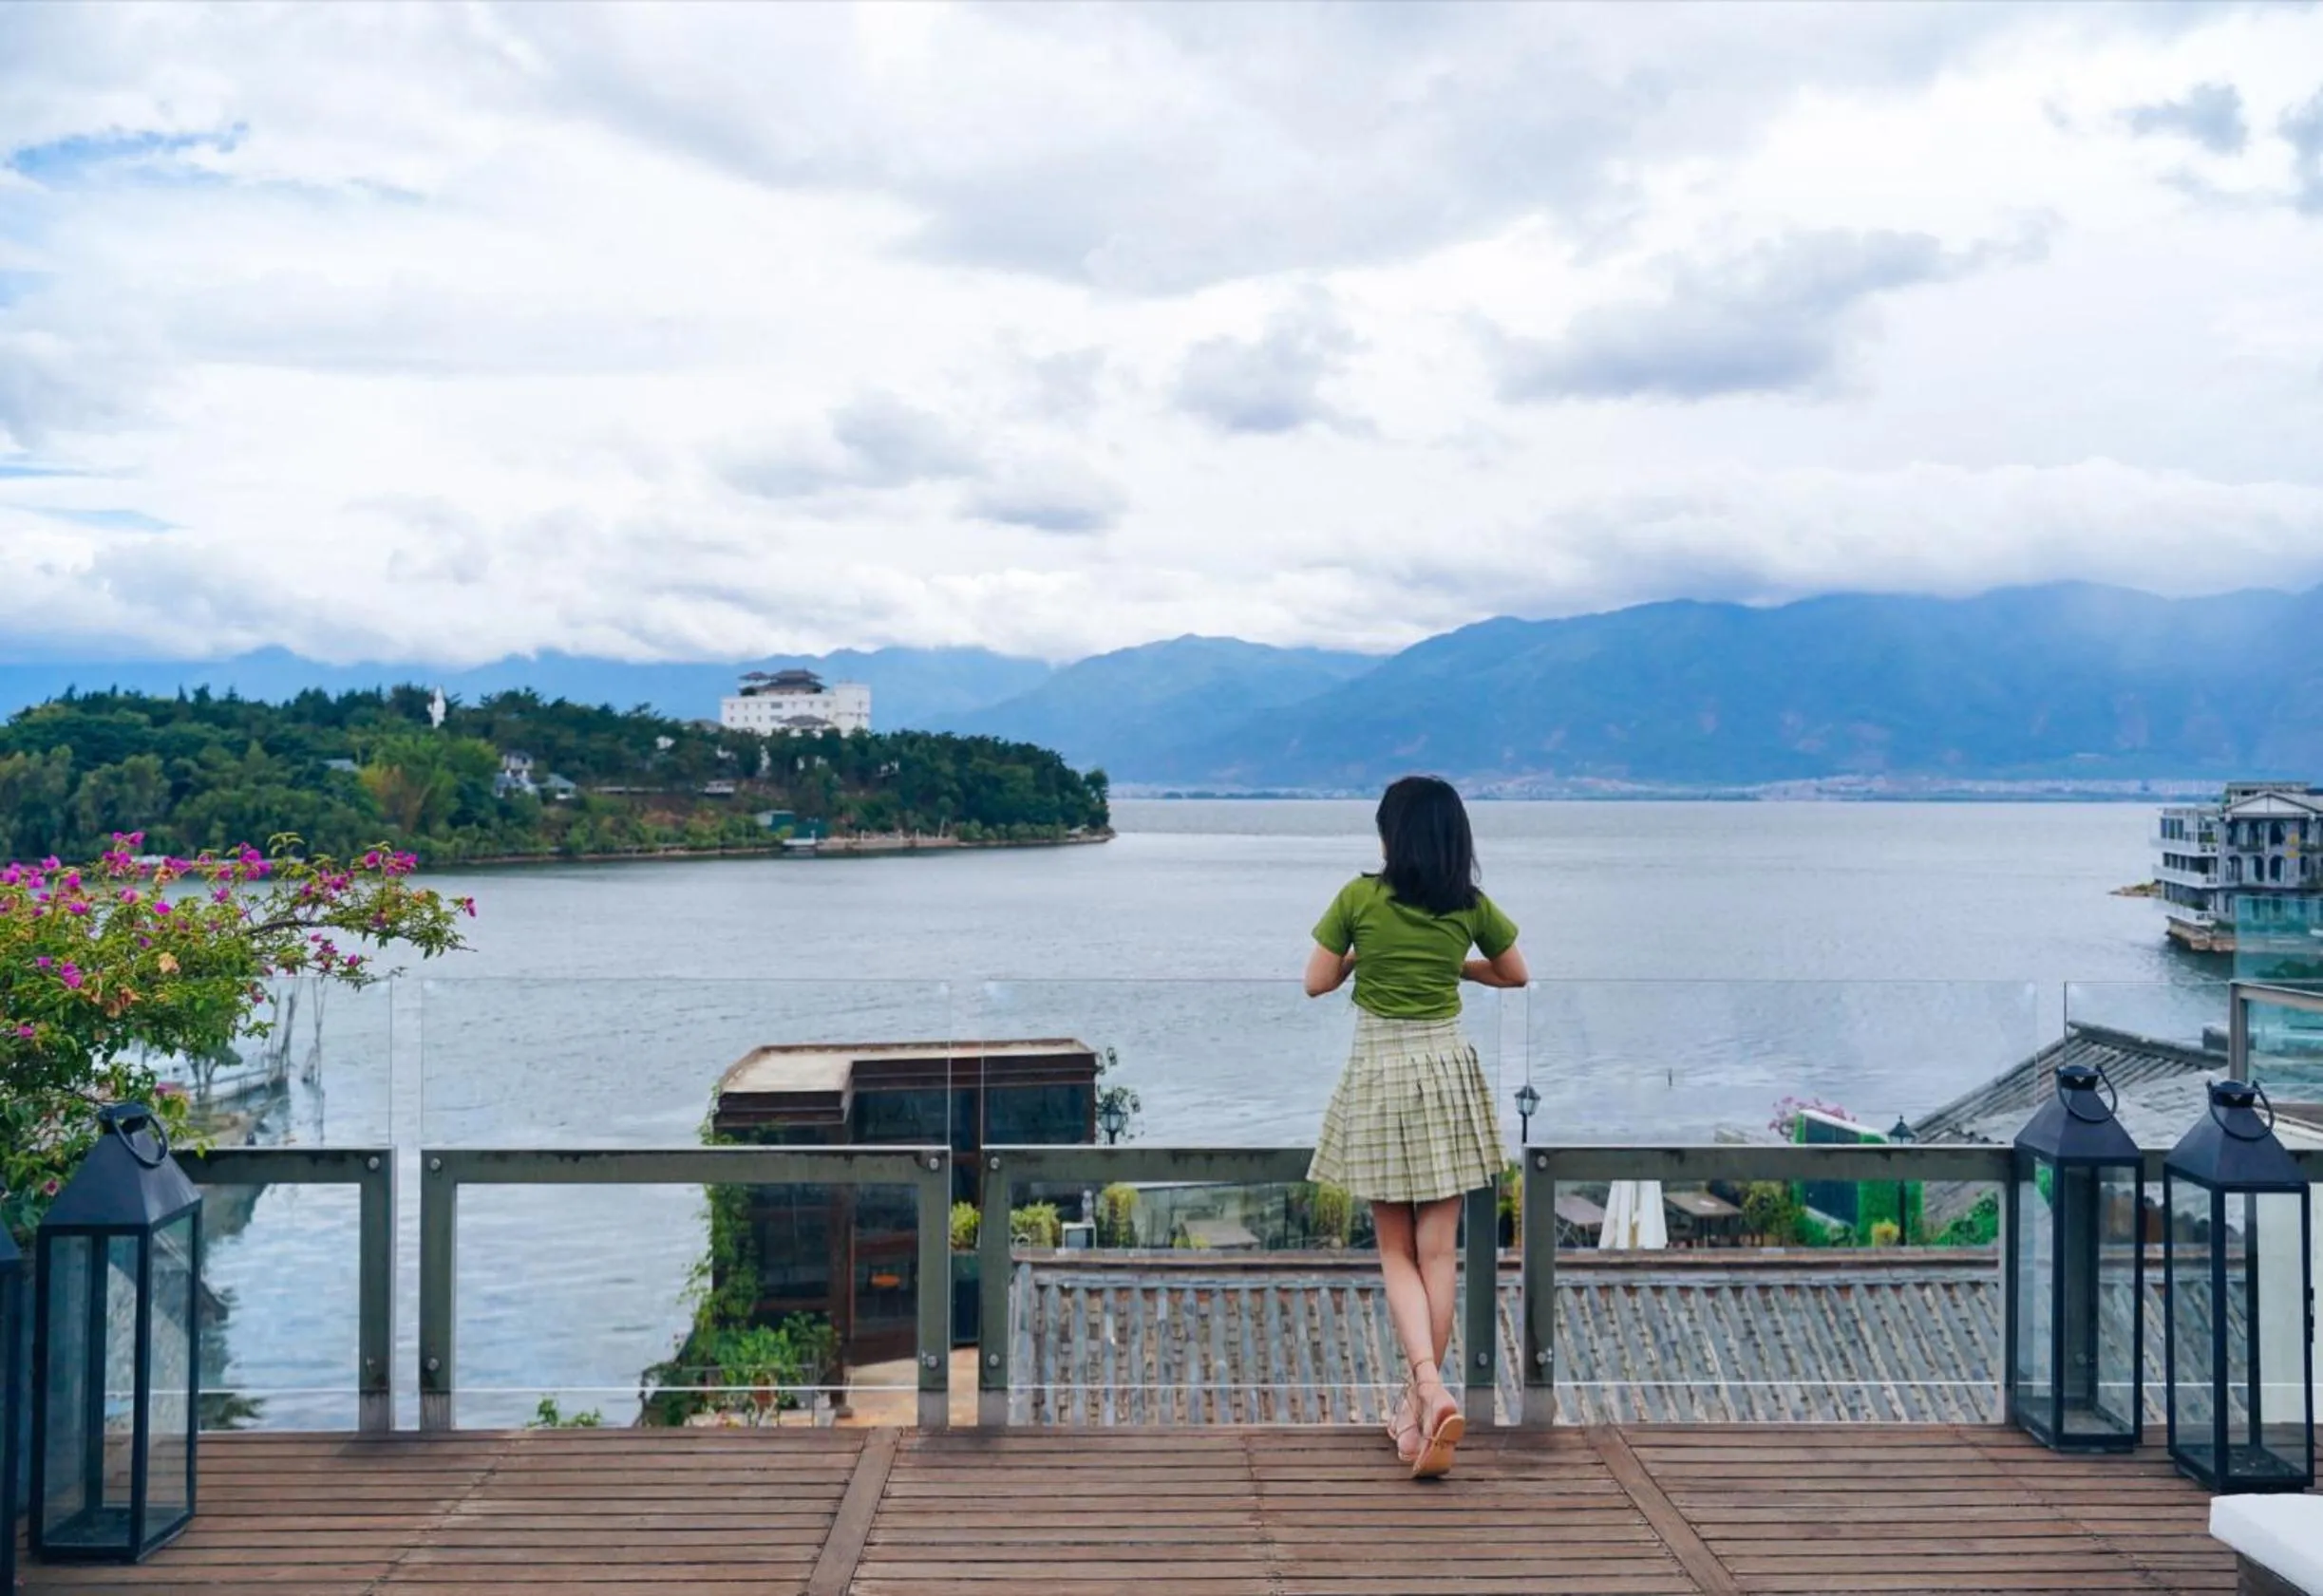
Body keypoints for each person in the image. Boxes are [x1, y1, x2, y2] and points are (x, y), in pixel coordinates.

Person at [1303, 775, 1526, 1480]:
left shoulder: (1359, 898)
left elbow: (1316, 980)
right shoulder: (1467, 904)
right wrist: (1457, 963)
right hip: (1448, 1074)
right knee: (1439, 1255)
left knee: (1395, 1251)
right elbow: (1515, 972)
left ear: (1391, 837)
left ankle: (1426, 1389)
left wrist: (1359, 957)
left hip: (1382, 1075)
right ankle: (1415, 1410)